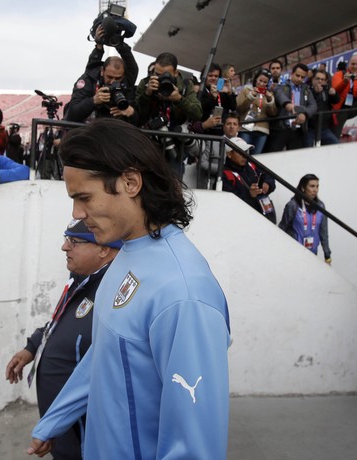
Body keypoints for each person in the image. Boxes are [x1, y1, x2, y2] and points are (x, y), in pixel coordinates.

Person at [27, 118, 230, 459]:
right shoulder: (126, 254)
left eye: (84, 198)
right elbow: (103, 355)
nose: (77, 214)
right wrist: (55, 421)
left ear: (131, 182)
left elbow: (196, 448)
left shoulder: (184, 293)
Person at [6, 219, 121, 459]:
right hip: (63, 430)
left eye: (75, 241)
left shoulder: (113, 297)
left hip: (84, 435)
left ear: (103, 249)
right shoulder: (81, 279)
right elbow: (60, 321)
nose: (64, 247)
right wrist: (32, 347)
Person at [63, 26, 139, 125]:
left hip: (115, 133)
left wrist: (131, 113)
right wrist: (93, 101)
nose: (113, 81)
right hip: (87, 132)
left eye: (118, 78)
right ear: (102, 71)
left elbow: (139, 121)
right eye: (110, 77)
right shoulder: (89, 79)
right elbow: (72, 114)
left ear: (123, 75)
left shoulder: (127, 83)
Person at [135, 52, 202, 128]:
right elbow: (137, 114)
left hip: (175, 133)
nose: (161, 78)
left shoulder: (185, 85)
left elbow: (198, 114)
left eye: (166, 75)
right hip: (150, 131)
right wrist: (147, 94)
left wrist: (179, 99)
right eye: (157, 74)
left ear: (175, 73)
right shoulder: (145, 83)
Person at [221, 137, 277, 223]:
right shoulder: (224, 174)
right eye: (240, 152)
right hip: (245, 220)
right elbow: (228, 201)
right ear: (229, 154)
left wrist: (267, 185)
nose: (244, 155)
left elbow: (270, 177)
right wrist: (249, 194)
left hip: (267, 214)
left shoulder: (252, 164)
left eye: (246, 151)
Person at [278, 174, 331, 264]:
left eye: (317, 186)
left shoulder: (320, 206)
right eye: (312, 186)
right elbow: (282, 228)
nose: (315, 190)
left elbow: (323, 232)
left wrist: (327, 254)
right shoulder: (293, 205)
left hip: (313, 253)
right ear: (303, 188)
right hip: (295, 254)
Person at [265, 63, 317, 152]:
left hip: (298, 129)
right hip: (281, 128)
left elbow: (313, 106)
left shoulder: (307, 90)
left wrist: (305, 114)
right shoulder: (281, 86)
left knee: (295, 158)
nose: (299, 79)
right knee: (273, 155)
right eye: (297, 75)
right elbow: (279, 95)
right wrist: (287, 104)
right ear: (291, 74)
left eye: (302, 77)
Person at [236, 68, 278, 154]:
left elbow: (273, 113)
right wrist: (251, 97)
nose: (262, 84)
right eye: (260, 80)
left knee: (256, 158)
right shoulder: (246, 90)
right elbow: (239, 108)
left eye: (265, 82)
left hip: (262, 130)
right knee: (243, 155)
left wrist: (270, 100)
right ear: (255, 79)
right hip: (246, 129)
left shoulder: (269, 94)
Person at [191, 63, 236, 136]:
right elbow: (200, 109)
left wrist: (230, 93)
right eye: (210, 75)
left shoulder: (221, 89)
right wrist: (212, 97)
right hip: (204, 133)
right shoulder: (199, 90)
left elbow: (233, 107)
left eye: (216, 76)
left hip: (220, 133)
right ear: (204, 77)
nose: (213, 78)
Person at [307, 70, 340, 146]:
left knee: (337, 145)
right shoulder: (307, 91)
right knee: (308, 149)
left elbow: (336, 101)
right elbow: (306, 103)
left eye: (322, 79)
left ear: (325, 81)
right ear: (313, 80)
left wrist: (334, 94)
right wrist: (315, 92)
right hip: (310, 129)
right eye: (317, 79)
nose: (320, 81)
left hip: (324, 129)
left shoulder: (327, 90)